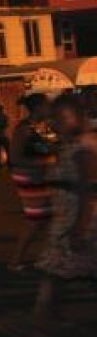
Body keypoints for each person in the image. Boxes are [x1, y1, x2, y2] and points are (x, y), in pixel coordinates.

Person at [34, 94, 97, 320]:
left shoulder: (83, 147)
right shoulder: (72, 144)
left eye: (62, 118)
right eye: (55, 118)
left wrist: (80, 226)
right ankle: (44, 318)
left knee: (56, 272)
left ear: (78, 117)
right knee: (63, 271)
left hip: (80, 219)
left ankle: (43, 320)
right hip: (68, 217)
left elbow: (87, 190)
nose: (56, 124)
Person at [8, 93, 58, 270]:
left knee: (44, 220)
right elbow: (15, 158)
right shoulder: (24, 130)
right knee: (35, 221)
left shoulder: (34, 127)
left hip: (36, 178)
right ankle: (16, 260)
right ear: (37, 108)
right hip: (29, 178)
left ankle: (43, 257)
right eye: (46, 105)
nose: (49, 109)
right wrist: (46, 161)